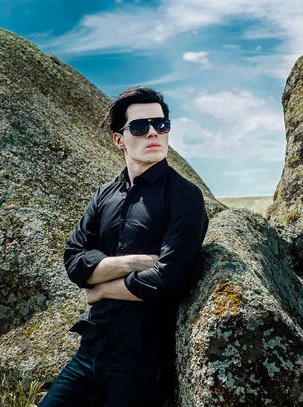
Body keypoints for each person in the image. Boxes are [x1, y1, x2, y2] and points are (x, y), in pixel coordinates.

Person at [38, 86, 209, 407]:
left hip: (140, 358)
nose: (154, 133)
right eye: (141, 127)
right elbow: (75, 262)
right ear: (119, 139)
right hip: (90, 347)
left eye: (162, 124)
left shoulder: (184, 196)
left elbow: (167, 280)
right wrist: (134, 262)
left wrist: (101, 289)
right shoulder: (105, 195)